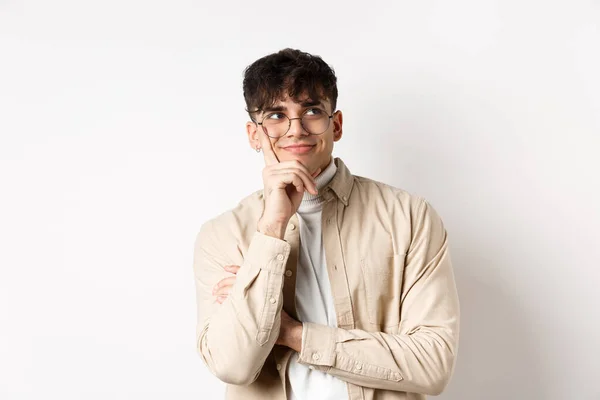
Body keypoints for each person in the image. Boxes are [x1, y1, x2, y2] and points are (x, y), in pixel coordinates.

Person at [192, 48, 460, 400]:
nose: (296, 130)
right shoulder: (223, 235)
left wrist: (292, 334)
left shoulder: (409, 216)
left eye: (312, 111)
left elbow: (433, 365)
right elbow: (232, 365)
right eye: (276, 115)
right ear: (254, 134)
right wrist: (272, 229)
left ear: (336, 125)